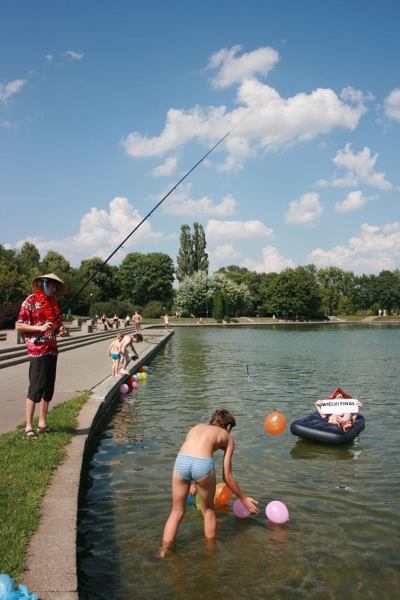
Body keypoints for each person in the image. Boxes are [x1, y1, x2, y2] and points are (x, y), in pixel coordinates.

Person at [161, 409, 259, 554]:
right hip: (202, 465)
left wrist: (194, 483)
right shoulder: (227, 437)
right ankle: (210, 554)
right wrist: (243, 499)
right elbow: (227, 476)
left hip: (181, 461)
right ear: (228, 427)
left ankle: (164, 551)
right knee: (208, 511)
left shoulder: (196, 427)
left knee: (176, 512)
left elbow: (192, 454)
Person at [16, 273, 67, 438]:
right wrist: (39, 328)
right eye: (53, 285)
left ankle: (42, 423)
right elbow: (19, 325)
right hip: (37, 350)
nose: (55, 289)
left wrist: (61, 330)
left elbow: (55, 326)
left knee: (48, 388)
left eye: (56, 286)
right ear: (44, 284)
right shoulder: (30, 300)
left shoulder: (54, 304)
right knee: (36, 387)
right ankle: (28, 427)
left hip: (52, 349)